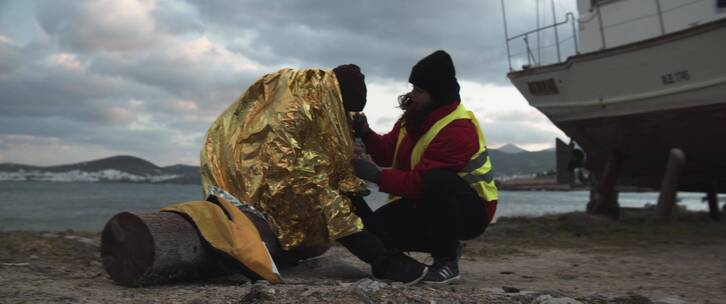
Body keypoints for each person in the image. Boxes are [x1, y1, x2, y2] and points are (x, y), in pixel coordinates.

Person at [200, 64, 428, 284]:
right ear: (338, 97)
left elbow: (326, 157)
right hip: (249, 173)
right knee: (327, 200)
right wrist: (328, 196)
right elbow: (283, 164)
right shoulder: (294, 108)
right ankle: (383, 261)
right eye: (347, 109)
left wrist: (357, 137)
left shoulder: (325, 99)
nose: (347, 114)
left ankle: (389, 253)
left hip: (282, 165)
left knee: (345, 191)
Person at [351, 50, 499, 284]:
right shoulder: (414, 116)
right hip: (430, 203)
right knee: (377, 230)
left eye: (419, 91)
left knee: (437, 181)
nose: (412, 95)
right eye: (413, 88)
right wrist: (366, 134)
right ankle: (416, 256)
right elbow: (387, 152)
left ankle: (447, 260)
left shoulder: (458, 127)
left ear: (437, 94)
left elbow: (421, 184)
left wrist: (377, 177)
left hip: (470, 211)